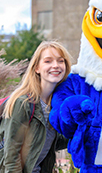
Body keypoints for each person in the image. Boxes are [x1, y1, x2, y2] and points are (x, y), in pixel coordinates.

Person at [0, 41, 72, 173]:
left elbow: (50, 142)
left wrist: (79, 128)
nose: (55, 65)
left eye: (61, 61)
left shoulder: (55, 106)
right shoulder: (22, 103)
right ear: (37, 68)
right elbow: (11, 157)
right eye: (48, 61)